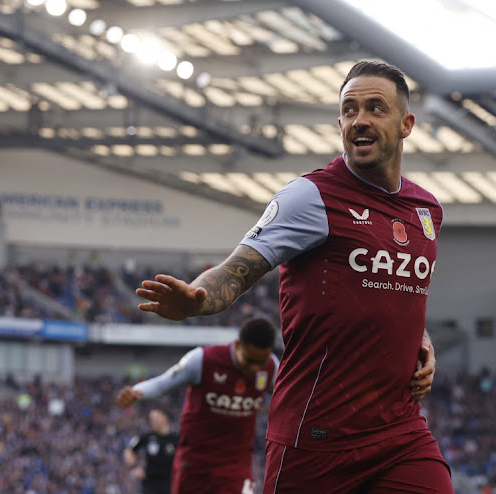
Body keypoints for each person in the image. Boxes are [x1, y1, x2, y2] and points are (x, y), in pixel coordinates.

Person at [136, 61, 454, 493]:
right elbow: (235, 270)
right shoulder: (312, 196)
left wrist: (423, 340)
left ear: (406, 124)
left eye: (375, 108)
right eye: (349, 109)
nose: (359, 120)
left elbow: (401, 293)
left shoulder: (427, 211)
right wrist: (199, 298)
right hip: (318, 436)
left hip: (400, 432)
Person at [116, 317, 279, 494]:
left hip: (236, 466)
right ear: (238, 345)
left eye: (260, 362)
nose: (255, 369)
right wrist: (136, 393)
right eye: (249, 360)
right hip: (194, 464)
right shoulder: (203, 360)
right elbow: (162, 384)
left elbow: (289, 397)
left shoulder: (271, 368)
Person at [123, 408, 179, 494]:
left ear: (164, 418)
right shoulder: (146, 436)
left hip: (170, 484)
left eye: (155, 418)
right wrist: (134, 467)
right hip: (150, 485)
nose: (152, 421)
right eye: (151, 419)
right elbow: (128, 451)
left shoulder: (175, 438)